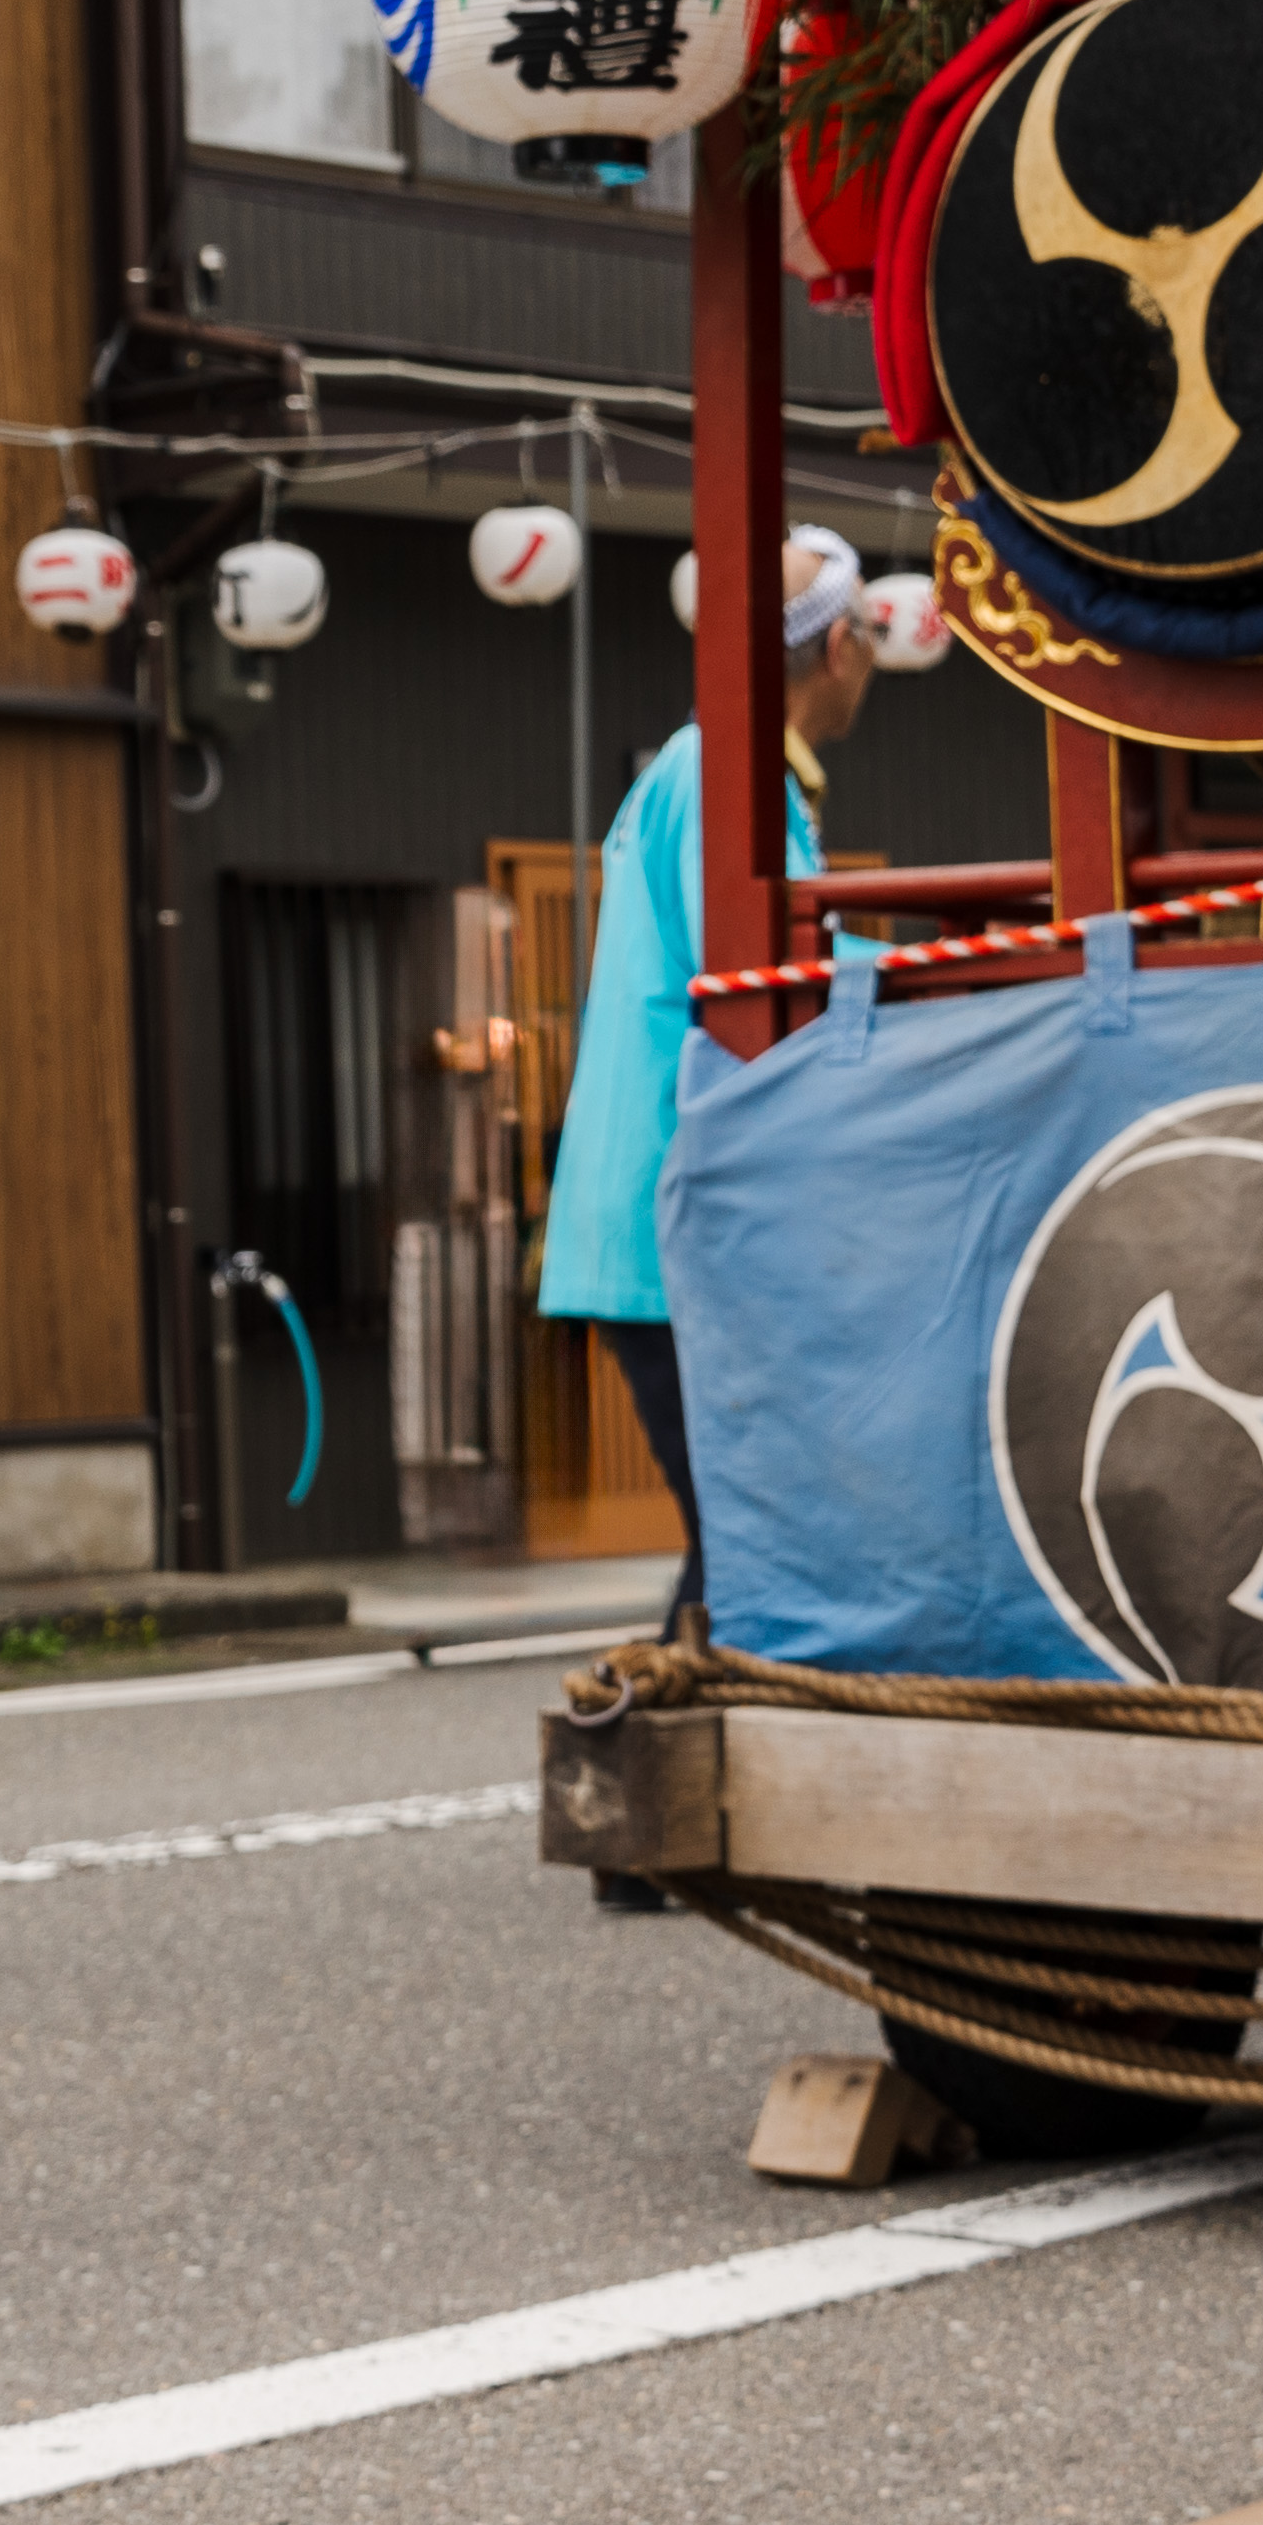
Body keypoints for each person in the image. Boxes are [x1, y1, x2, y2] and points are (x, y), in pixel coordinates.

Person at [538, 523, 881, 1797]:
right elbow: (761, 976)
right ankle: (629, 1791)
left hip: (660, 1208)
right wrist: (936, 980)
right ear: (838, 648)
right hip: (680, 1215)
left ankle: (652, 1797)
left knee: (740, 1527)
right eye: (867, 634)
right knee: (748, 1528)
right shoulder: (725, 772)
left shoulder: (715, 766)